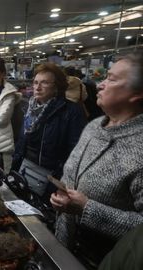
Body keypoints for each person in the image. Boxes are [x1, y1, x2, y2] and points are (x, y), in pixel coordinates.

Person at [50, 53, 143, 268]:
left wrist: (87, 209)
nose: (100, 85)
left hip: (107, 260)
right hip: (66, 249)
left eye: (111, 79)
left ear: (136, 94)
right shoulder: (94, 126)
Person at [12, 63, 87, 202]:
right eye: (35, 82)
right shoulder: (30, 108)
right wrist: (15, 167)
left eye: (44, 83)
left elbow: (75, 151)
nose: (37, 87)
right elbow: (22, 141)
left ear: (56, 86)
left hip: (51, 178)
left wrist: (60, 180)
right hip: (25, 169)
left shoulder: (71, 111)